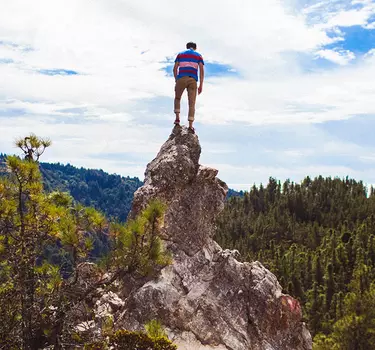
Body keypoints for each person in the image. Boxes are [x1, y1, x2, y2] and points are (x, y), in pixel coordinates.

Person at [173, 42, 204, 133]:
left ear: (186, 47)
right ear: (195, 48)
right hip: (192, 79)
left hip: (181, 78)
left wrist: (176, 79)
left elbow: (175, 68)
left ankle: (177, 119)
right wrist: (201, 85)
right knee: (192, 102)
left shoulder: (180, 54)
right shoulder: (198, 56)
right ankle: (190, 125)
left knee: (177, 98)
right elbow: (201, 71)